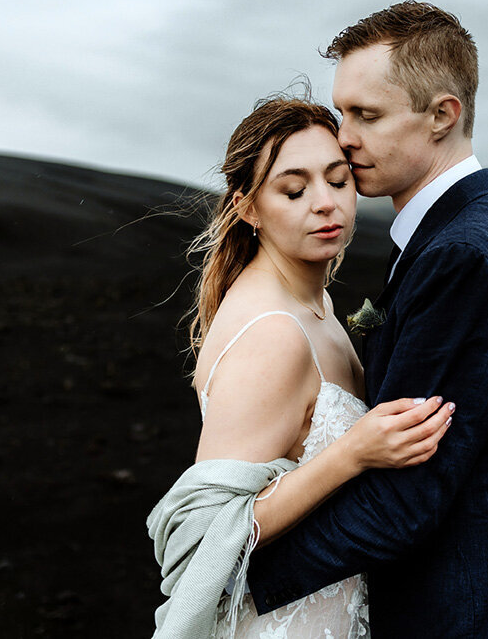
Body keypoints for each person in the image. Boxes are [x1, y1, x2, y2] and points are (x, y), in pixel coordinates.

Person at [245, 1, 488, 637]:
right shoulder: (465, 232)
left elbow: (407, 498)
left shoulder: (467, 254)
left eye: (366, 115)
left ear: (442, 114)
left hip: (480, 610)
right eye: (341, 111)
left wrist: (241, 583)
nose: (343, 137)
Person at [146, 95, 455, 638]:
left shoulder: (318, 305)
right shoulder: (275, 334)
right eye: (294, 190)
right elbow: (204, 529)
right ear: (247, 208)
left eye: (338, 181)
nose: (325, 204)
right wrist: (352, 454)